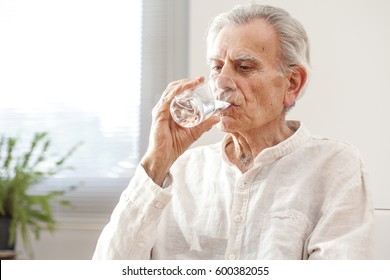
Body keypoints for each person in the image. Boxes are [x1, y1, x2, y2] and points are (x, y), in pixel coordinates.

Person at [93, 4, 374, 260]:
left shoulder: (334, 166)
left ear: (292, 84)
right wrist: (156, 162)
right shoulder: (180, 170)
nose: (222, 83)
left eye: (244, 67)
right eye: (217, 67)